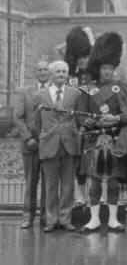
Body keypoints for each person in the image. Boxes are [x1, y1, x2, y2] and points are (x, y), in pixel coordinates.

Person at [78, 32, 127, 233]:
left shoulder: (120, 88)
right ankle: (94, 219)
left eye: (110, 68)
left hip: (115, 141)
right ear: (98, 69)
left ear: (114, 69)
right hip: (95, 141)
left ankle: (113, 219)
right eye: (104, 68)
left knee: (113, 182)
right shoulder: (88, 90)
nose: (107, 72)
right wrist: (88, 122)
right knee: (94, 183)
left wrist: (116, 119)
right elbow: (80, 117)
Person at [33, 60, 81, 232]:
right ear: (51, 75)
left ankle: (65, 218)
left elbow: (79, 119)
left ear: (67, 74)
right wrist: (44, 136)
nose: (61, 74)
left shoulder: (75, 94)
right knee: (51, 185)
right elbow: (36, 123)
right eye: (58, 72)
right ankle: (51, 219)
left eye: (64, 71)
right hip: (49, 144)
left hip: (69, 144)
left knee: (68, 184)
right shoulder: (40, 95)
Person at [14, 60, 50, 228]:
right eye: (40, 69)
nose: (43, 72)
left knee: (48, 182)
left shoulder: (53, 91)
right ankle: (27, 215)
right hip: (30, 145)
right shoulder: (24, 92)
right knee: (31, 181)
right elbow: (18, 117)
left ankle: (45, 216)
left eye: (45, 70)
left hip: (49, 144)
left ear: (49, 73)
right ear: (35, 73)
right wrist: (28, 138)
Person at [64, 26, 95, 207]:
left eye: (86, 57)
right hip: (73, 127)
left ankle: (91, 196)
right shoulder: (69, 77)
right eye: (80, 57)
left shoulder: (94, 77)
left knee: (90, 163)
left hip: (91, 126)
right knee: (74, 166)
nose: (83, 61)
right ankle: (78, 197)